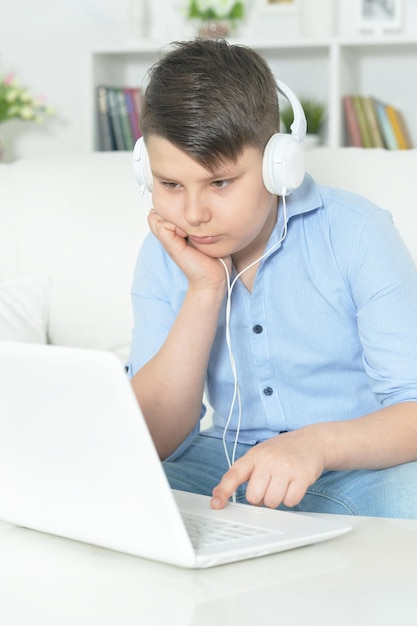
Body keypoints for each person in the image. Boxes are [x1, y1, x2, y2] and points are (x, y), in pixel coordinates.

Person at [126, 37, 417, 518]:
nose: (194, 213)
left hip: (357, 469)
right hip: (220, 468)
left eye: (220, 183)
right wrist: (205, 289)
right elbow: (151, 439)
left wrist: (315, 445)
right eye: (171, 185)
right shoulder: (163, 253)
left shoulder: (358, 232)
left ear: (279, 163)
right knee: (104, 489)